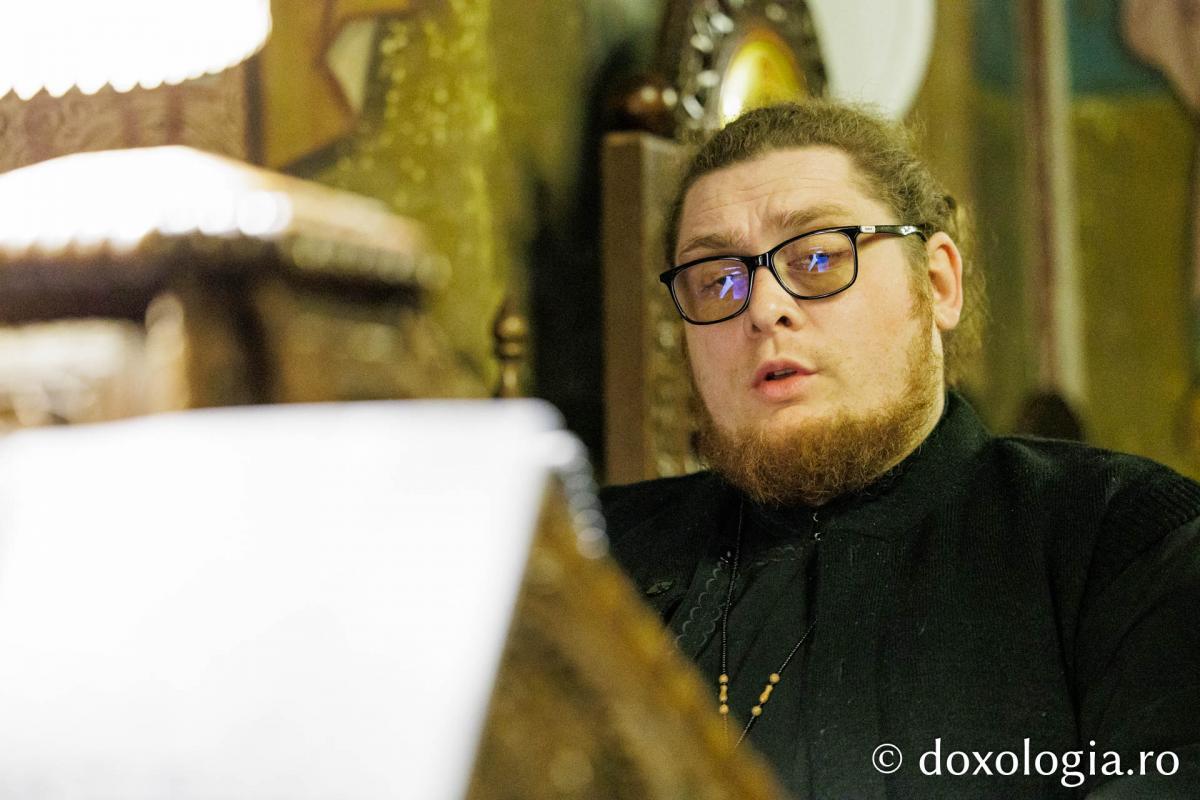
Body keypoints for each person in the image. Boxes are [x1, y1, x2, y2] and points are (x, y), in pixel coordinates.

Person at [599, 101, 1200, 799]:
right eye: (718, 280)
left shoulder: (1124, 543)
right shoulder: (594, 563)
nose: (762, 309)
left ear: (937, 284)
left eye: (818, 257)